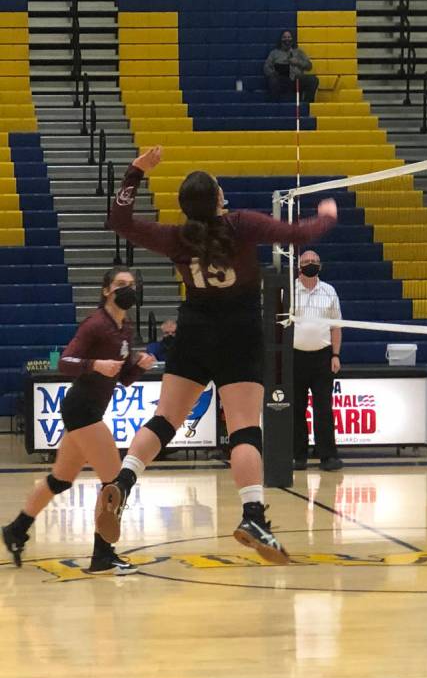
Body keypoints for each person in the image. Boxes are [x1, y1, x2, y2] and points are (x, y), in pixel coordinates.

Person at [94, 146, 337, 564]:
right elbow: (299, 235)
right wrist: (328, 216)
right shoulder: (240, 225)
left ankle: (124, 479)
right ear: (218, 198)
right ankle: (252, 515)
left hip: (194, 329)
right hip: (238, 332)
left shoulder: (176, 236)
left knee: (164, 418)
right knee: (244, 428)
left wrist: (136, 171)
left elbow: (118, 221)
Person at [2, 266, 156, 574]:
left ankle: (16, 529)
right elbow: (65, 362)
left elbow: (122, 378)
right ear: (105, 290)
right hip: (82, 410)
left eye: (131, 284)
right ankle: (102, 555)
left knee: (60, 480)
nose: (127, 288)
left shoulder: (124, 329)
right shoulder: (96, 324)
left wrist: (139, 366)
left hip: (88, 411)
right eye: (120, 284)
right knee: (114, 483)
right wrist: (95, 364)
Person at [293, 250, 343, 472]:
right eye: (306, 261)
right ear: (299, 266)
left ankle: (328, 456)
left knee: (323, 408)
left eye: (314, 261)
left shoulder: (329, 291)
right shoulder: (290, 290)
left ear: (320, 266)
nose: (310, 264)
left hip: (323, 357)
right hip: (295, 357)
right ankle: (298, 456)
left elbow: (336, 326)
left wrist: (335, 355)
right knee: (296, 409)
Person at [263, 29, 319, 103]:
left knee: (313, 79)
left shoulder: (299, 52)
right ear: (281, 39)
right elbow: (266, 67)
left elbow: (309, 66)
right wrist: (273, 73)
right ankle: (274, 106)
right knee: (273, 81)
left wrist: (298, 62)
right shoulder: (274, 53)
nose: (287, 39)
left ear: (292, 39)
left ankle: (306, 104)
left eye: (289, 37)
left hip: (297, 80)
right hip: (282, 81)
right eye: (284, 37)